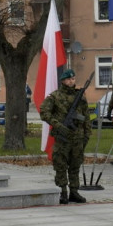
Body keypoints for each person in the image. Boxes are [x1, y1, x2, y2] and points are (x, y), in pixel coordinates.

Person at [40, 69, 92, 204]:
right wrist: (58, 125)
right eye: (68, 79)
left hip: (78, 137)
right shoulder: (55, 96)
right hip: (63, 137)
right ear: (63, 81)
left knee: (75, 165)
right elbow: (44, 112)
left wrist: (87, 133)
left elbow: (86, 116)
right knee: (61, 165)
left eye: (73, 79)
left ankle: (74, 191)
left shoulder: (79, 96)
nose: (71, 81)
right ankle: (63, 191)